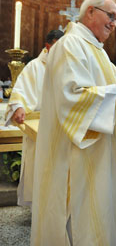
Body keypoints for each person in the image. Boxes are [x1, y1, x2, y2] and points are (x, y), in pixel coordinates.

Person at [31, 0, 116, 246]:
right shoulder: (70, 45)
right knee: (84, 210)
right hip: (79, 151)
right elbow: (72, 96)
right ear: (90, 13)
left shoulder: (98, 50)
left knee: (105, 204)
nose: (114, 23)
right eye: (111, 16)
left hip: (103, 148)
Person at [5, 29, 64, 207]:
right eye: (59, 47)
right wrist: (19, 107)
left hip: (64, 127)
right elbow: (20, 90)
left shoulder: (69, 66)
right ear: (48, 46)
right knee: (40, 169)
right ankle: (41, 207)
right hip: (38, 128)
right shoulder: (35, 67)